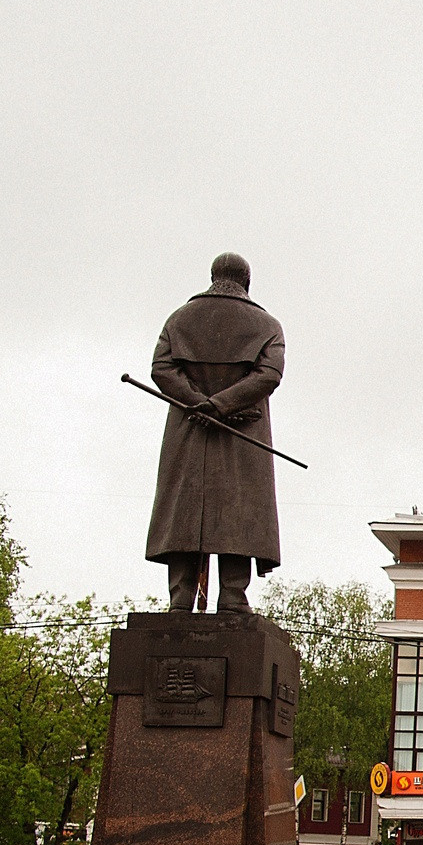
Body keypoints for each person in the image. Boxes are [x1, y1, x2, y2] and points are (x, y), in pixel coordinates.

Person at [149, 252, 284, 612]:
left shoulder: (179, 319)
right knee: (239, 512)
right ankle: (233, 597)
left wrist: (198, 403)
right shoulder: (266, 324)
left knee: (184, 510)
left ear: (213, 276)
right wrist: (222, 404)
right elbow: (269, 375)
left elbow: (161, 369)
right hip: (243, 430)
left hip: (188, 427)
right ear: (247, 281)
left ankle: (180, 599)